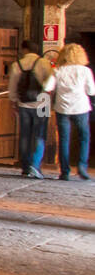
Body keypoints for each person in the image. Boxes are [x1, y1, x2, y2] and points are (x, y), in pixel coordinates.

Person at [8, 39, 56, 179]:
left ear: (24, 49)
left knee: (24, 136)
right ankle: (35, 165)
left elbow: (13, 86)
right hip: (42, 103)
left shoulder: (17, 65)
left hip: (24, 104)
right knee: (40, 135)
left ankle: (25, 167)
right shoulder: (44, 63)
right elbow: (50, 82)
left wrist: (13, 101)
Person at [52, 42, 95, 181]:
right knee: (84, 137)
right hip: (80, 107)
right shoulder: (85, 71)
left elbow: (48, 86)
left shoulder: (58, 70)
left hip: (62, 108)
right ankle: (82, 166)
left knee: (64, 139)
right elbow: (91, 90)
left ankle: (65, 171)